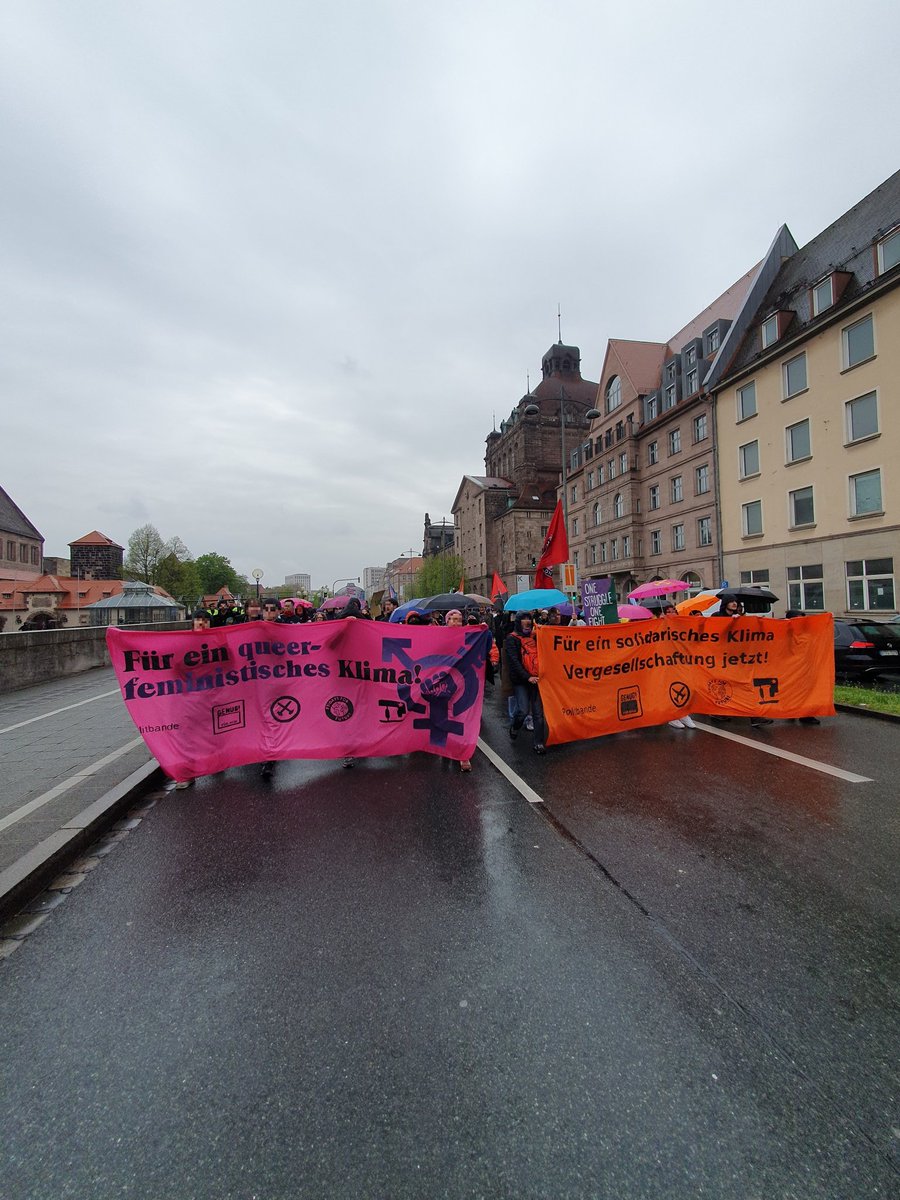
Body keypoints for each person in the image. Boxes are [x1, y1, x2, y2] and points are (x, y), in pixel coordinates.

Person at [713, 594, 772, 727]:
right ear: (725, 603)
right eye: (731, 601)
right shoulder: (717, 616)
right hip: (721, 659)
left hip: (738, 659)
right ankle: (718, 711)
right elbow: (715, 634)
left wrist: (757, 622)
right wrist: (730, 623)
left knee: (745, 685)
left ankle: (755, 717)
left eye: (736, 602)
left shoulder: (740, 618)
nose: (734, 604)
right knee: (724, 686)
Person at [505, 612, 546, 754]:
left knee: (538, 713)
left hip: (536, 678)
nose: (527, 622)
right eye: (524, 619)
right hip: (521, 680)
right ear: (518, 622)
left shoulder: (535, 636)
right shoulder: (511, 639)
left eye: (529, 619)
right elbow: (514, 662)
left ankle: (538, 743)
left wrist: (543, 630)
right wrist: (527, 677)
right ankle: (515, 727)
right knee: (522, 710)